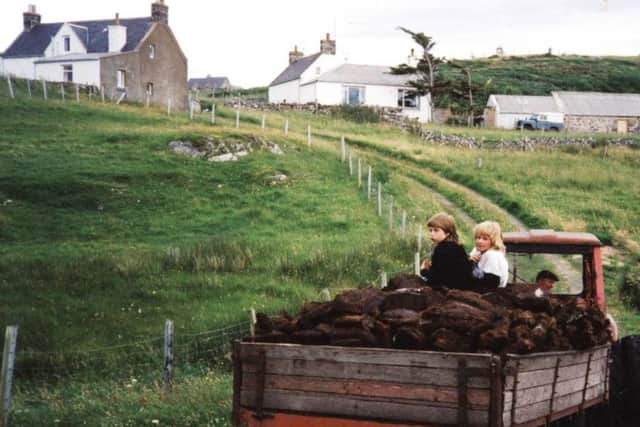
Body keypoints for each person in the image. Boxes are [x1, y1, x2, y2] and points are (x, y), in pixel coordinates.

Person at [419, 212, 473, 290]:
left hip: (449, 289)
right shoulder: (457, 246)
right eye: (430, 230)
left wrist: (423, 270)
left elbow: (437, 277)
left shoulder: (442, 249)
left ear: (447, 233)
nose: (432, 234)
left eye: (436, 230)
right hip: (463, 287)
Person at [469, 221, 509, 289]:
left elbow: (491, 281)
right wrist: (470, 260)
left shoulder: (492, 255)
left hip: (494, 289)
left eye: (485, 239)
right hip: (482, 282)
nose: (480, 241)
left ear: (493, 241)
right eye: (478, 238)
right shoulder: (477, 250)